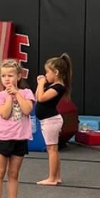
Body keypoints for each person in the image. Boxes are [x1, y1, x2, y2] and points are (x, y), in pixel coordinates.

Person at [0, 59, 35, 198]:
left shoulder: (27, 93)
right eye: (3, 76)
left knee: (14, 173)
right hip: (3, 139)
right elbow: (4, 113)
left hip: (20, 139)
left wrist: (17, 93)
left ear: (18, 76)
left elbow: (27, 109)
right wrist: (9, 97)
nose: (7, 79)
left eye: (10, 75)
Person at [35, 53, 72, 186]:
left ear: (56, 72)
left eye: (47, 72)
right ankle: (57, 177)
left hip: (51, 121)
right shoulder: (52, 86)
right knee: (53, 149)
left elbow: (41, 98)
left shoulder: (58, 87)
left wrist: (40, 83)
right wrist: (40, 85)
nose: (46, 75)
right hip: (48, 120)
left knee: (52, 150)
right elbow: (36, 96)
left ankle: (51, 178)